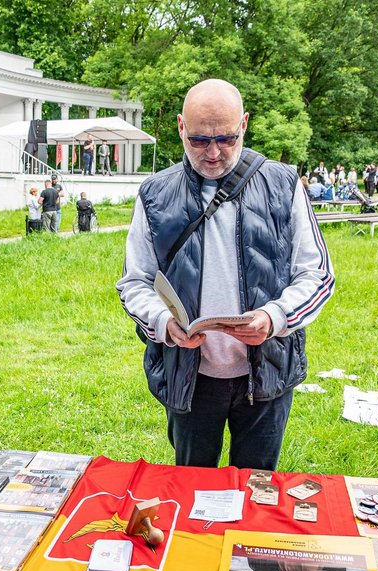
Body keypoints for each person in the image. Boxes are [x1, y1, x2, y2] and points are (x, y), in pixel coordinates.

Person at [116, 79, 334, 470]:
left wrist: (274, 318)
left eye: (226, 139)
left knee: (255, 485)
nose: (214, 152)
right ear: (181, 127)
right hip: (190, 375)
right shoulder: (155, 193)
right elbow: (135, 281)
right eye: (199, 140)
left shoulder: (283, 184)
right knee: (190, 482)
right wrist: (163, 323)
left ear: (244, 124)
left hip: (267, 369)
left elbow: (317, 274)